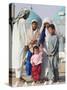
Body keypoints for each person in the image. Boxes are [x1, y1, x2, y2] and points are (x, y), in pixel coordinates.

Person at [12, 8, 30, 86]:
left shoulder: (16, 22)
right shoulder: (23, 21)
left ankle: (18, 76)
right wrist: (26, 44)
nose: (27, 16)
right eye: (27, 14)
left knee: (17, 60)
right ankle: (18, 78)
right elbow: (24, 33)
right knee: (21, 60)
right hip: (21, 44)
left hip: (16, 45)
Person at [39, 18, 53, 83]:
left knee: (50, 63)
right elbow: (41, 39)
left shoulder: (51, 30)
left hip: (51, 48)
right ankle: (43, 76)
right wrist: (41, 45)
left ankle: (48, 76)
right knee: (44, 63)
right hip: (45, 49)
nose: (46, 25)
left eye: (47, 23)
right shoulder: (43, 31)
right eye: (45, 24)